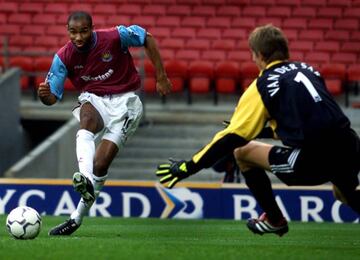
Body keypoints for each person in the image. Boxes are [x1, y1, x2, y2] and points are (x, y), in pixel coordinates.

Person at [156, 24, 360, 237]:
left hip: (314, 158)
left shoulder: (262, 85)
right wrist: (263, 132)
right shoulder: (308, 70)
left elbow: (231, 138)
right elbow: (308, 123)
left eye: (253, 54)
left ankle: (275, 220)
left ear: (260, 55)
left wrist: (188, 167)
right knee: (344, 194)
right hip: (350, 146)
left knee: (241, 153)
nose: (253, 59)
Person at [38, 11, 171, 235]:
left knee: (100, 164)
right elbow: (52, 97)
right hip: (94, 98)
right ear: (67, 31)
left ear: (92, 28)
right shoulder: (63, 57)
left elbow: (147, 38)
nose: (78, 37)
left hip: (126, 101)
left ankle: (76, 218)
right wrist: (45, 96)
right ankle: (86, 178)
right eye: (73, 32)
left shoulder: (114, 37)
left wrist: (161, 76)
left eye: (83, 31)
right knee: (86, 120)